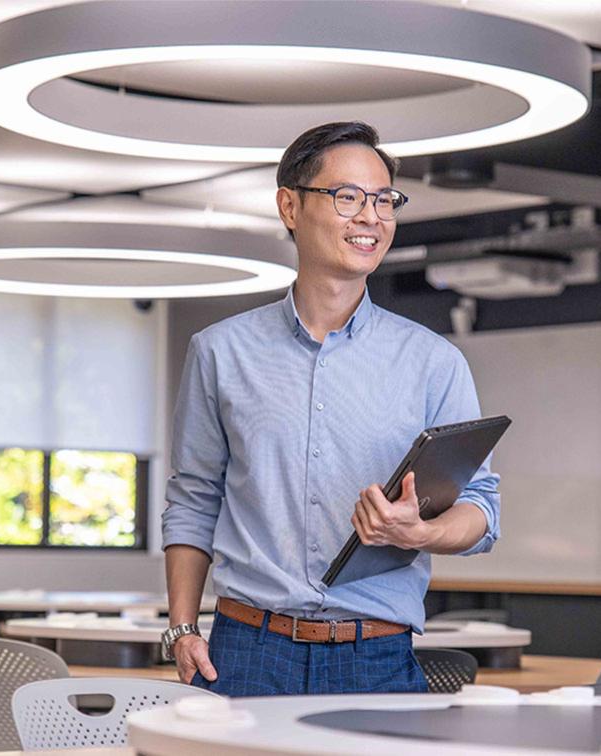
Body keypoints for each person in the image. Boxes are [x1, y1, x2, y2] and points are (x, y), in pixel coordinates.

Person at [161, 121, 500, 696]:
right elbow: (193, 498)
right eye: (348, 197)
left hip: (377, 654)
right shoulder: (220, 351)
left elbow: (481, 509)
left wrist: (420, 532)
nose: (371, 217)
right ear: (290, 206)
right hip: (246, 653)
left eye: (384, 200)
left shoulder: (433, 361)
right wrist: (182, 627)